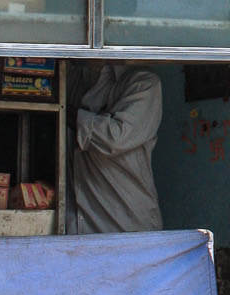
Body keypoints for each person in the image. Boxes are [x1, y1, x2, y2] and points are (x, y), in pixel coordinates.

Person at [66, 62, 163, 234]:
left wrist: (66, 112)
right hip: (79, 224)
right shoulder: (79, 76)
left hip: (126, 222)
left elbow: (115, 138)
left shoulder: (144, 83)